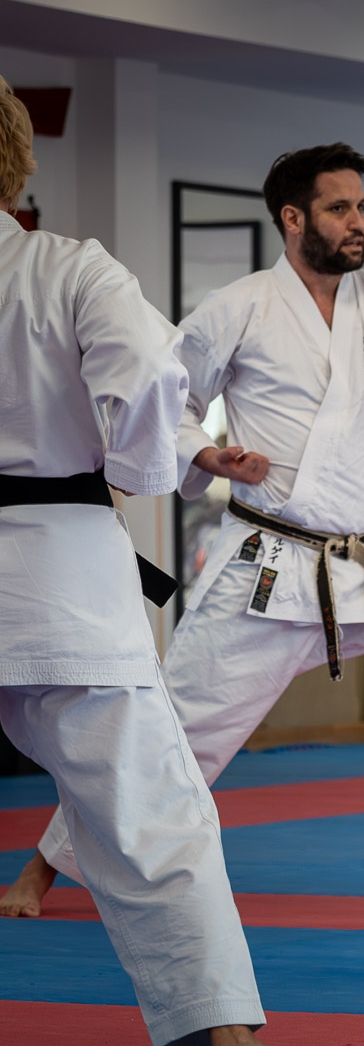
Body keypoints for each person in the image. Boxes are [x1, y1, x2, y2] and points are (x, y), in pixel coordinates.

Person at [3, 142, 364, 919]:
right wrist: (208, 454)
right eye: (339, 207)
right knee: (171, 734)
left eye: (360, 207)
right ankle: (42, 870)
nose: (357, 222)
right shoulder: (238, 307)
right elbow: (171, 397)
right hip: (270, 565)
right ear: (293, 217)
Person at [0, 74, 266, 1046]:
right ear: (18, 161)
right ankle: (217, 1030)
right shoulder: (66, 269)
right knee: (149, 816)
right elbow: (153, 370)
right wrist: (141, 472)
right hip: (59, 579)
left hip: (62, 569)